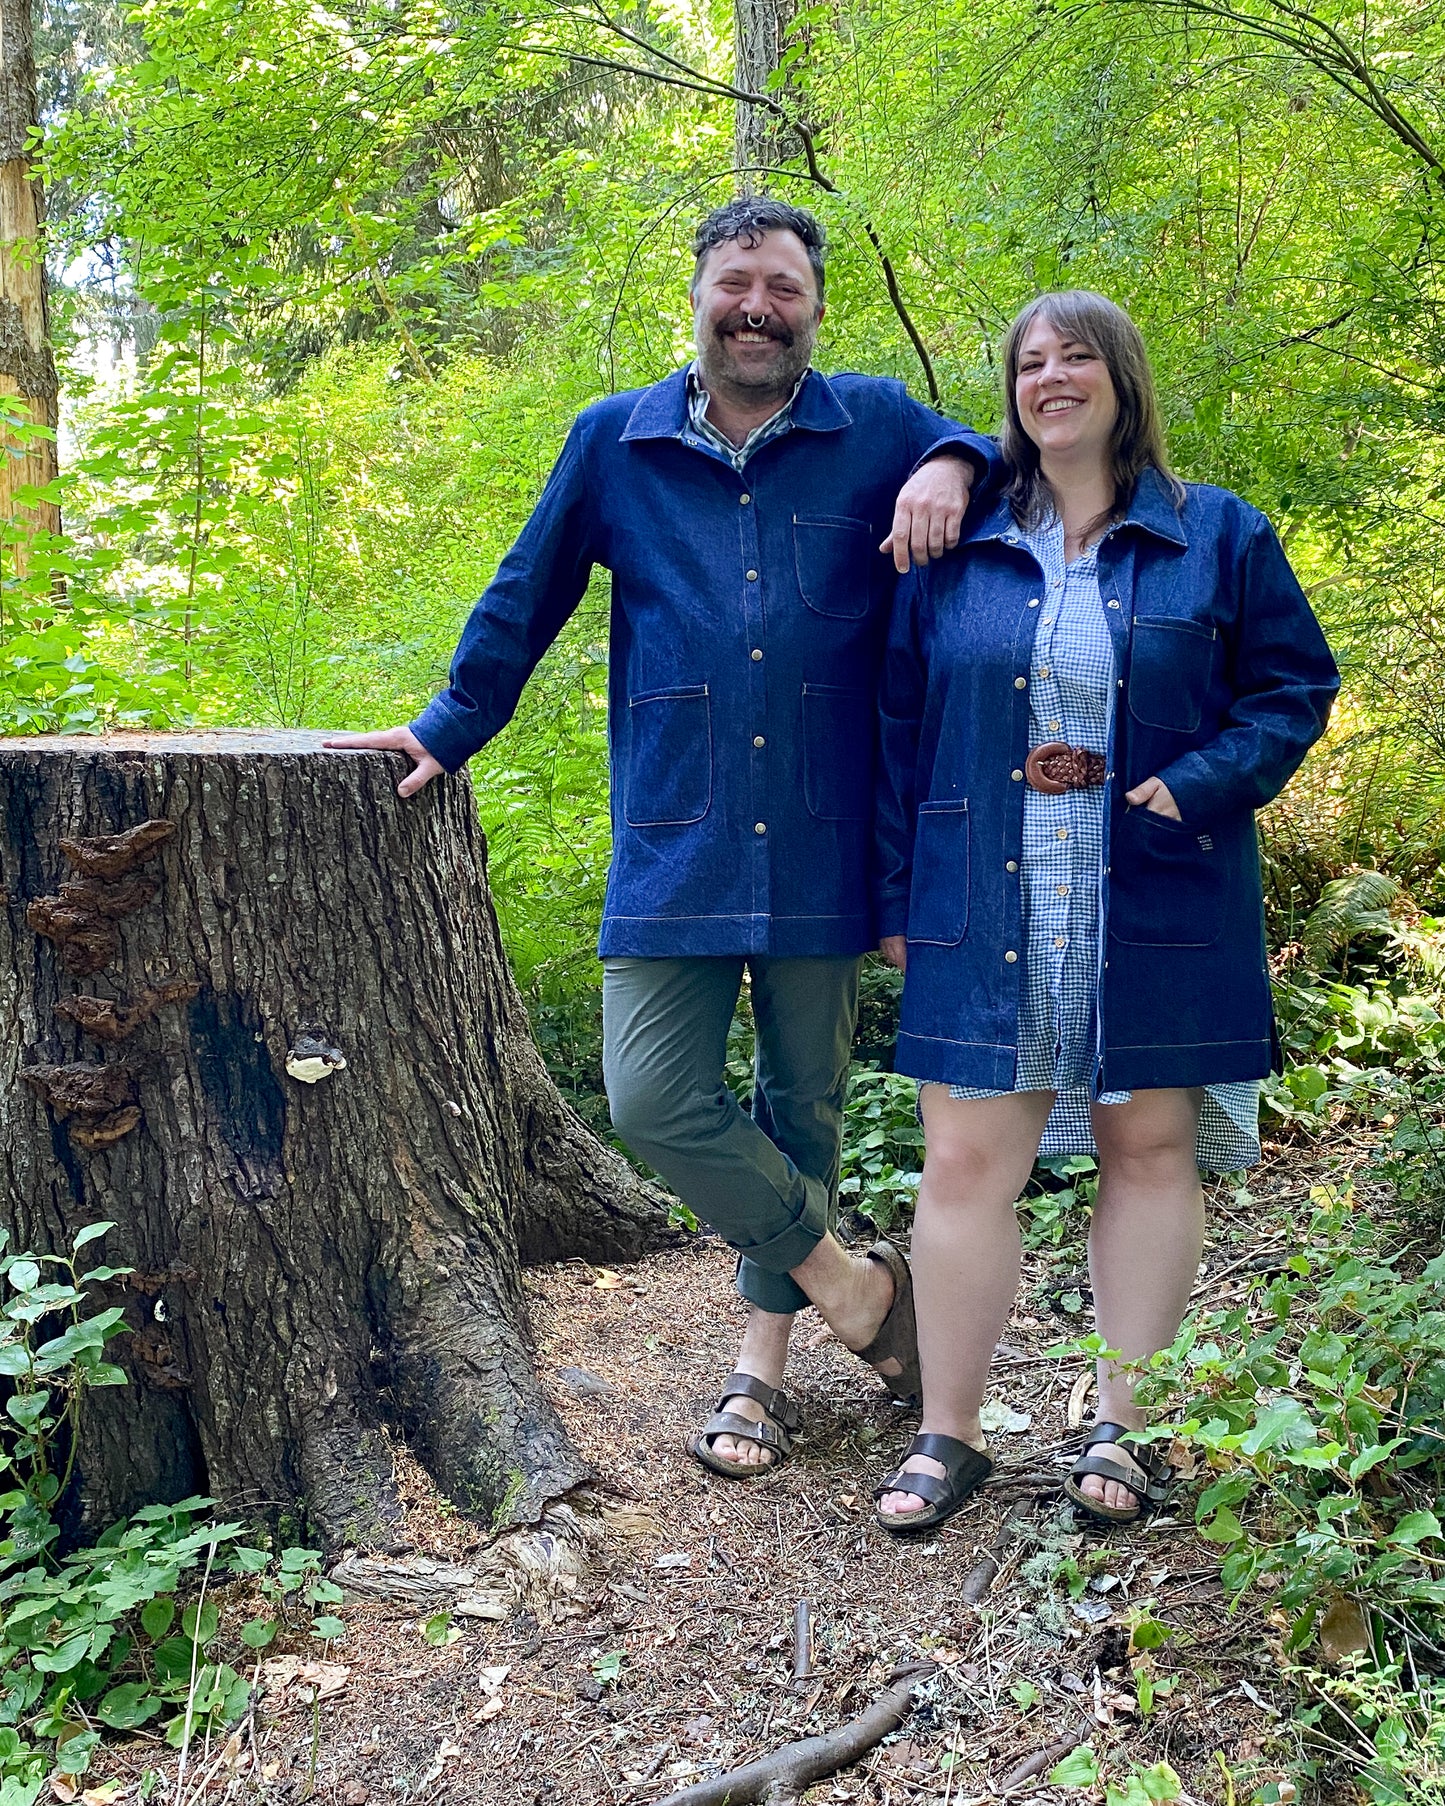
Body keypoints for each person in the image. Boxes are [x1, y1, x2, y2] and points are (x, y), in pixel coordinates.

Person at [327, 198, 1002, 1479]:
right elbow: (524, 596)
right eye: (735, 282)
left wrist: (953, 460)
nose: (758, 306)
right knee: (652, 1096)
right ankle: (857, 1289)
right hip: (675, 839)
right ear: (696, 296)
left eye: (784, 288)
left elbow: (1003, 456)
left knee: (799, 1105)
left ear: (813, 308)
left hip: (821, 834)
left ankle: (758, 1374)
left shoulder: (875, 432)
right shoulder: (614, 443)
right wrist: (445, 726)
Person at [870, 290, 1339, 1532]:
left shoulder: (1218, 537)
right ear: (1010, 395)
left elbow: (1292, 689)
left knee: (1146, 1150)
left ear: (1122, 379)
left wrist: (1195, 785)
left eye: (1077, 355)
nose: (1051, 376)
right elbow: (893, 728)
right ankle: (948, 1434)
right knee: (966, 1161)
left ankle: (1125, 1427)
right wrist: (888, 894)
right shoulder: (957, 544)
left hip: (1155, 883)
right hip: (982, 892)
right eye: (1029, 361)